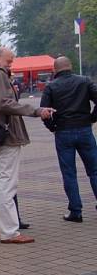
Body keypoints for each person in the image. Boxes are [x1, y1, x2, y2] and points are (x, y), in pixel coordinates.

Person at [0, 47, 54, 244]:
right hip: (4, 136)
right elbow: (4, 103)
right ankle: (10, 232)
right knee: (6, 184)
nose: (11, 65)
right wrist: (35, 110)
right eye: (9, 61)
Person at [40, 56, 97, 222]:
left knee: (69, 173)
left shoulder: (51, 86)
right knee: (94, 170)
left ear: (54, 69)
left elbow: (44, 112)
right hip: (84, 129)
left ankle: (75, 210)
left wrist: (52, 127)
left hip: (63, 131)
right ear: (70, 66)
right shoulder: (84, 81)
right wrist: (92, 118)